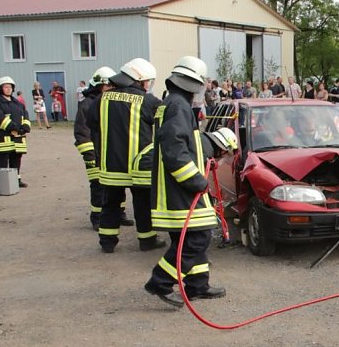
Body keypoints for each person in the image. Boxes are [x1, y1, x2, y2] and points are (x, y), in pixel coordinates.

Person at [144, 56, 234, 307]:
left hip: (175, 187)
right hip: (181, 188)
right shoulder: (178, 107)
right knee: (198, 237)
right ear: (194, 84)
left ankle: (197, 285)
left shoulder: (172, 103)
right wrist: (196, 181)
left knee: (191, 237)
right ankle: (160, 281)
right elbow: (174, 150)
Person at [86, 58, 165, 254]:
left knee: (110, 203)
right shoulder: (148, 101)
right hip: (138, 166)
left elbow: (92, 124)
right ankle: (147, 241)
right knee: (142, 205)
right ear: (139, 80)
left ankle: (107, 242)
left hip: (110, 164)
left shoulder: (101, 99)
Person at [73, 66, 135, 231]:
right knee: (98, 186)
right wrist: (90, 155)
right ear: (98, 85)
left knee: (118, 184)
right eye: (107, 86)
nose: (110, 89)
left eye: (112, 86)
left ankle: (119, 214)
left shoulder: (111, 102)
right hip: (95, 154)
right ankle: (97, 218)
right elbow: (81, 132)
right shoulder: (87, 104)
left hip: (111, 152)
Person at [0, 76, 31, 188]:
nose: (8, 89)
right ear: (0, 88)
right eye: (5, 87)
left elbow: (25, 114)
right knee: (3, 158)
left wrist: (26, 126)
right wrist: (15, 128)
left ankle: (16, 180)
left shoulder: (16, 102)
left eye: (10, 87)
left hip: (18, 137)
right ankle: (0, 182)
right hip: (4, 137)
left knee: (16, 158)